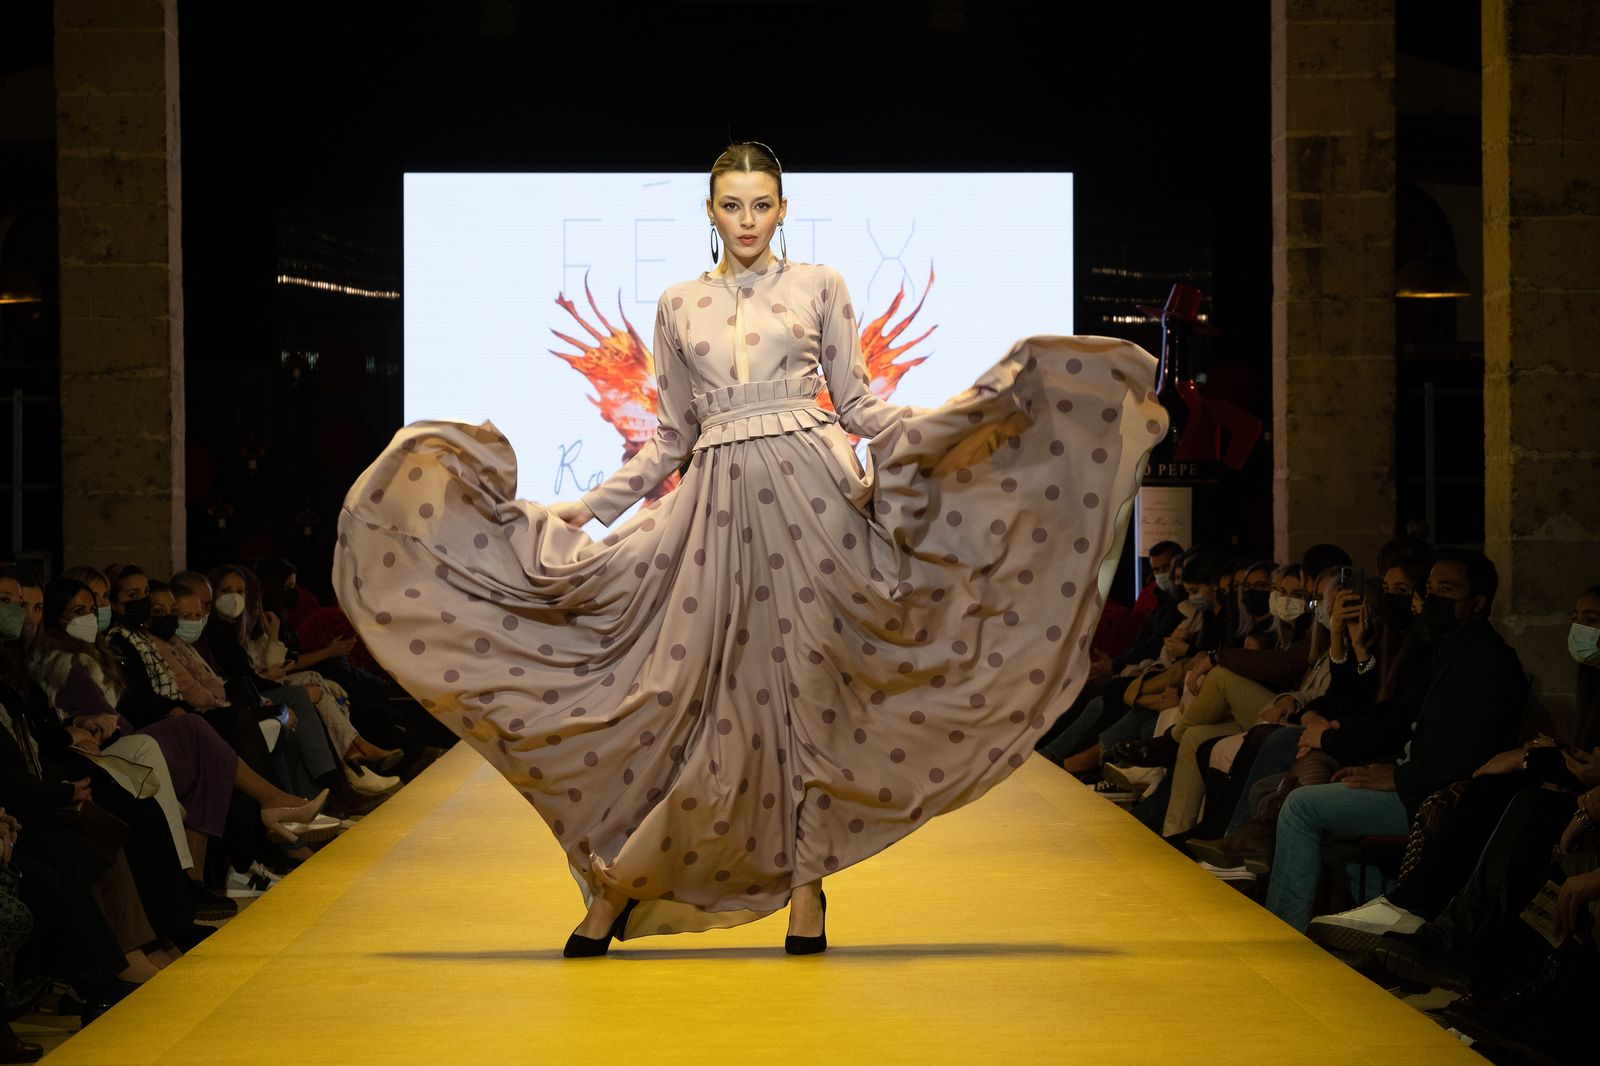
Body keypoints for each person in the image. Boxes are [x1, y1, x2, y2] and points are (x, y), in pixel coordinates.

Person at [335, 142, 1166, 956]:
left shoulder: (819, 285)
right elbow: (668, 440)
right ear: (709, 211)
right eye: (731, 204)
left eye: (761, 204)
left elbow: (861, 407)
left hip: (813, 504)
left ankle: (807, 889)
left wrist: (959, 428)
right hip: (717, 514)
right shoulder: (677, 303)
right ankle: (618, 880)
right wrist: (584, 511)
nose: (747, 219)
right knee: (680, 697)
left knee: (807, 694)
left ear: (783, 209)